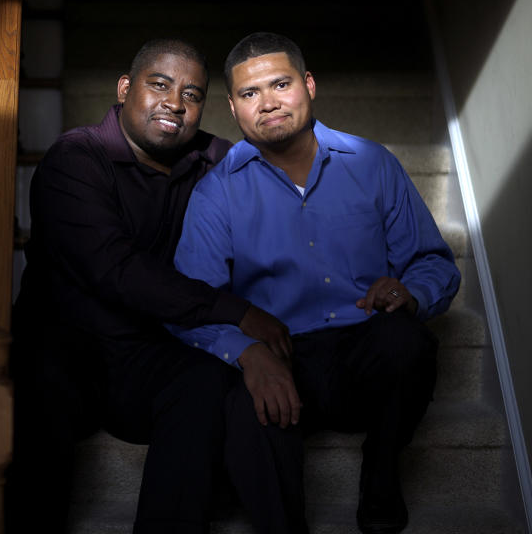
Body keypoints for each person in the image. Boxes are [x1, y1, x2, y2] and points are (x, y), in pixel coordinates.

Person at [167, 32, 461, 534]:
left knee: (408, 341)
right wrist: (247, 353)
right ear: (234, 110)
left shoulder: (373, 164)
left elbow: (434, 262)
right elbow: (194, 303)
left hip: (364, 350)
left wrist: (411, 293)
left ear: (308, 84)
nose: (269, 102)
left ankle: (381, 477)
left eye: (280, 84)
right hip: (282, 355)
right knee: (243, 402)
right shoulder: (217, 192)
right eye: (250, 93)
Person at [10, 38, 308, 534]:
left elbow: (280, 206)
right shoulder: (75, 158)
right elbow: (116, 269)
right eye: (160, 85)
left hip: (146, 351)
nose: (175, 102)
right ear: (126, 89)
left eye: (192, 95)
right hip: (65, 347)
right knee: (39, 374)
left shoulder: (212, 158)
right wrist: (234, 311)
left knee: (206, 380)